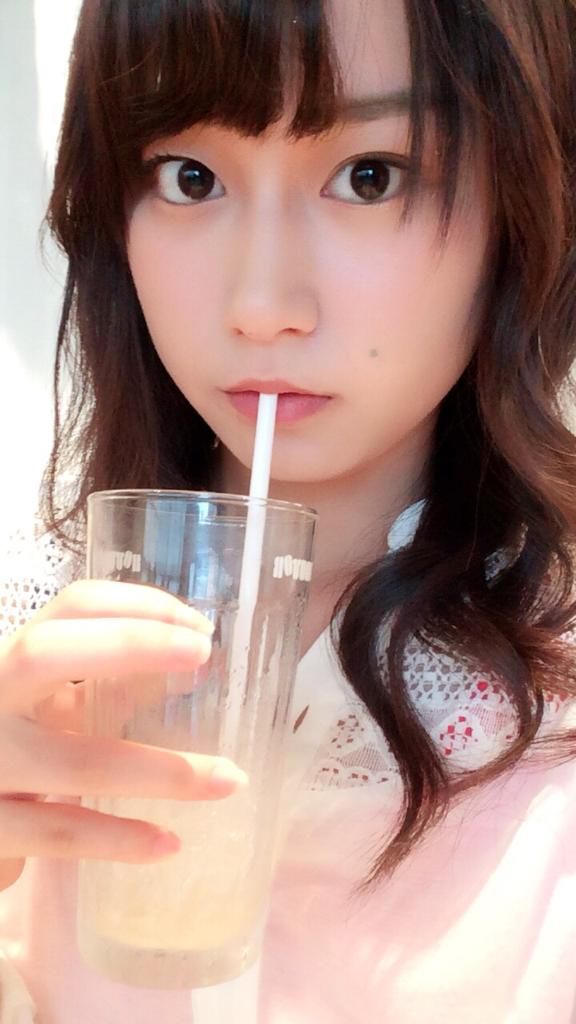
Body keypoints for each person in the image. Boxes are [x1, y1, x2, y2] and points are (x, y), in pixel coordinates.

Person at [1, 0, 576, 1020]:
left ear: (525, 200)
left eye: (370, 176)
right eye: (190, 177)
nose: (261, 305)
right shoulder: (34, 651)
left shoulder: (553, 719)